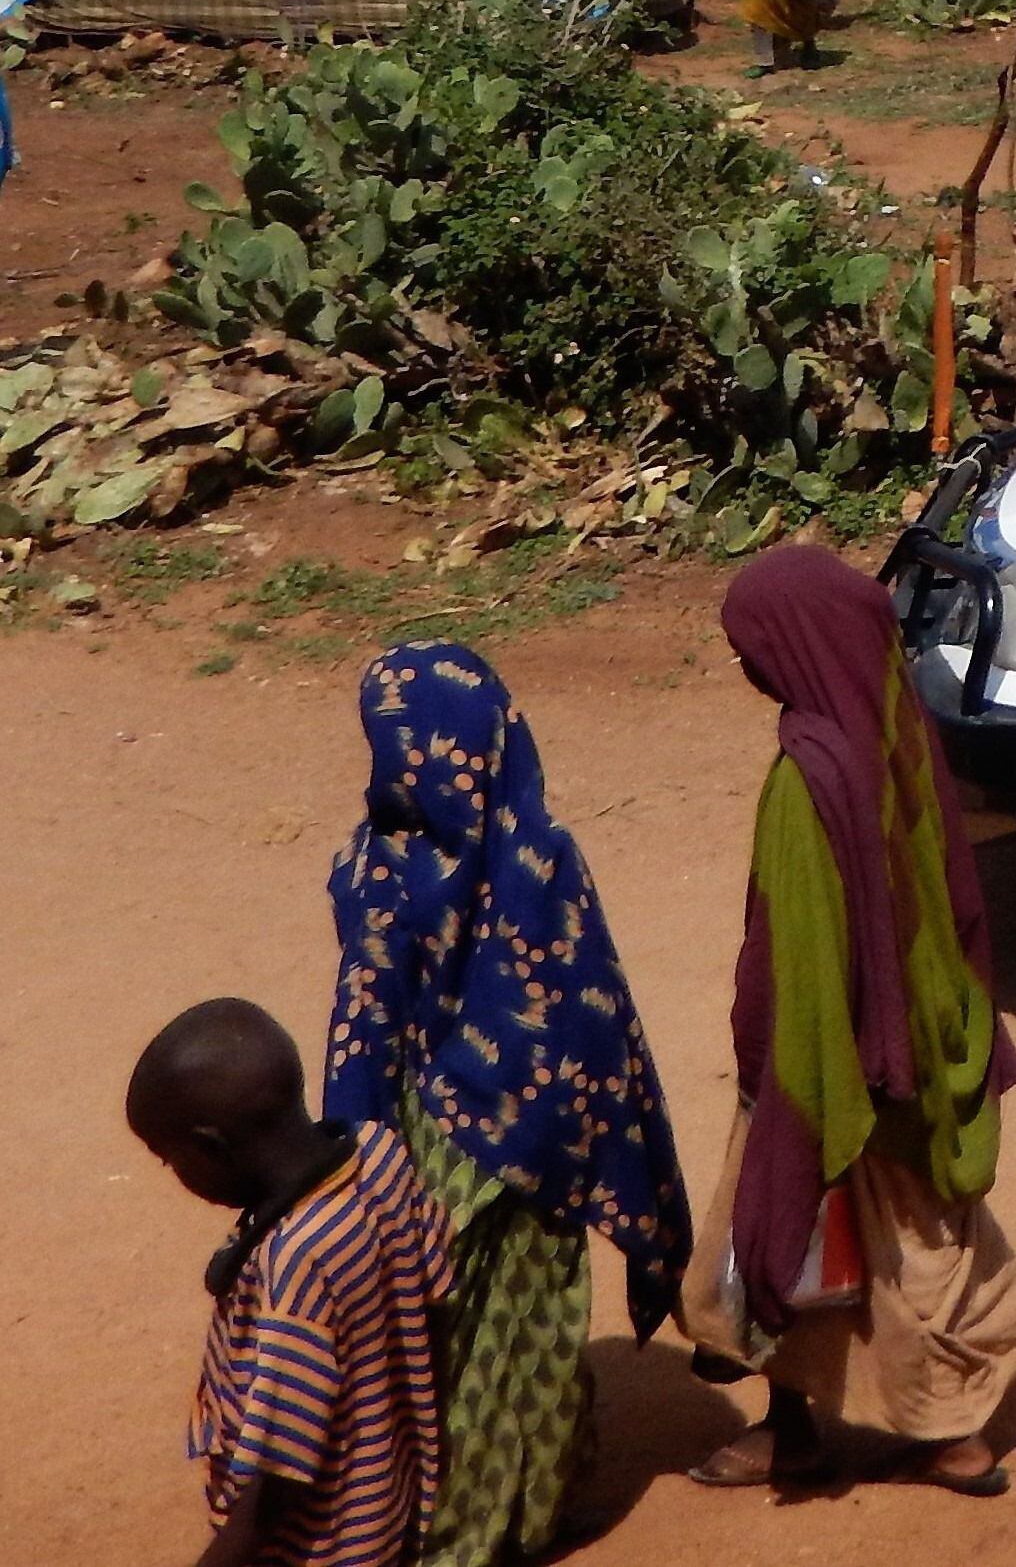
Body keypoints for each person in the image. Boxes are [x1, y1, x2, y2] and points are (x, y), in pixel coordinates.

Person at [681, 549, 1016, 1497]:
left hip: (839, 1059)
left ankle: (952, 1432)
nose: (747, 666)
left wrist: (784, 1083)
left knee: (851, 1245)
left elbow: (800, 958)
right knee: (879, 1241)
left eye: (748, 648)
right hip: (922, 1031)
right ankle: (794, 1425)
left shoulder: (806, 782)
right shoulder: (894, 729)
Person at [323, 645, 694, 1567]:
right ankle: (534, 1505)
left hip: (425, 1147)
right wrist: (612, 1139)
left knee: (439, 1334)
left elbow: (363, 1024)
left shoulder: (376, 864)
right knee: (530, 1329)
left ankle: (457, 1528)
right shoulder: (543, 858)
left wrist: (347, 1150)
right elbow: (594, 1006)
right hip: (542, 1141)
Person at [131, 997, 452, 1567]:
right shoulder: (380, 1155)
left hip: (322, 1546)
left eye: (170, 1160)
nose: (176, 1176)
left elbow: (280, 1474)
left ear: (212, 1147)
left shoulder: (296, 1264)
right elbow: (435, 1297)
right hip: (391, 1507)